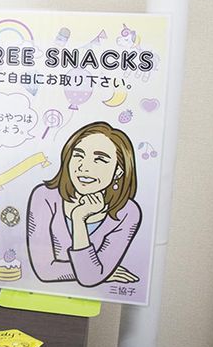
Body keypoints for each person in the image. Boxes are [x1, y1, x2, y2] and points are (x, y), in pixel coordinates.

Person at [26, 121, 141, 287]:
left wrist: (79, 219)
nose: (84, 167)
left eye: (100, 159)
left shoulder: (127, 212)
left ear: (118, 171)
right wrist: (99, 272)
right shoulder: (45, 196)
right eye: (78, 155)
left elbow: (88, 278)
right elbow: (44, 271)